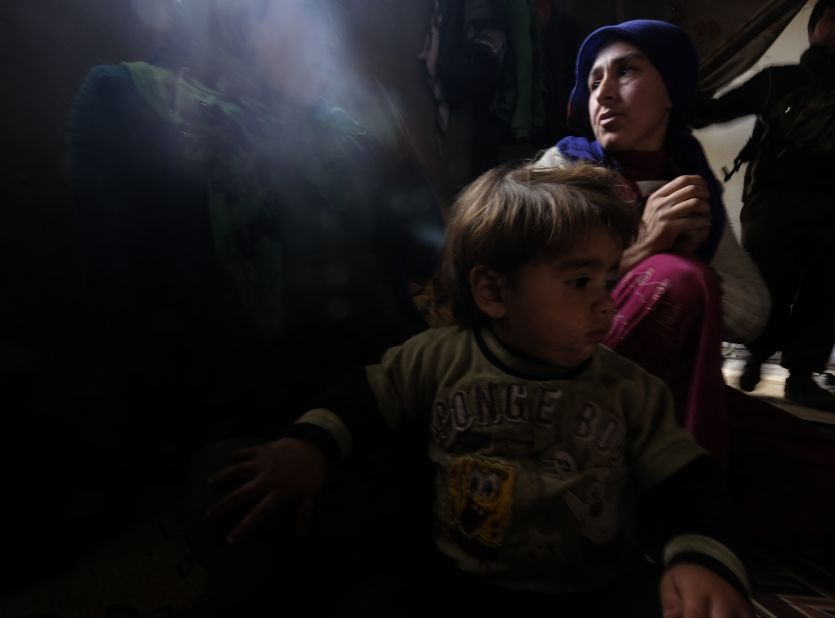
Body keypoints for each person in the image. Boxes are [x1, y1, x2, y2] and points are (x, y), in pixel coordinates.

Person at [195, 163, 754, 617]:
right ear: (492, 290)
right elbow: (365, 396)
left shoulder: (631, 390)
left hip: (593, 590)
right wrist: (309, 445)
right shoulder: (439, 357)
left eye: (609, 280)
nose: (606, 302)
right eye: (579, 282)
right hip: (457, 580)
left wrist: (701, 560)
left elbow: (687, 482)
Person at [70, 0, 445, 460]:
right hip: (240, 423)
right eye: (309, 14)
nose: (326, 33)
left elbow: (424, 252)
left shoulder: (340, 123)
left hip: (380, 386)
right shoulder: (129, 101)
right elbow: (121, 313)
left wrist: (391, 140)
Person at [534, 19, 770, 464]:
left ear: (670, 93)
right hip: (568, 382)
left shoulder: (690, 189)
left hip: (673, 392)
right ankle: (688, 482)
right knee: (678, 277)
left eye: (625, 72)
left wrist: (690, 264)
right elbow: (531, 289)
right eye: (593, 80)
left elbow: (753, 311)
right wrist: (646, 249)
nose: (601, 94)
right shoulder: (562, 170)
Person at [694, 0, 835, 411]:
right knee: (767, 288)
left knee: (822, 294)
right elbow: (710, 113)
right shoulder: (776, 81)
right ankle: (757, 357)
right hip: (774, 207)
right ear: (815, 25)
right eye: (833, 16)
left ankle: (801, 377)